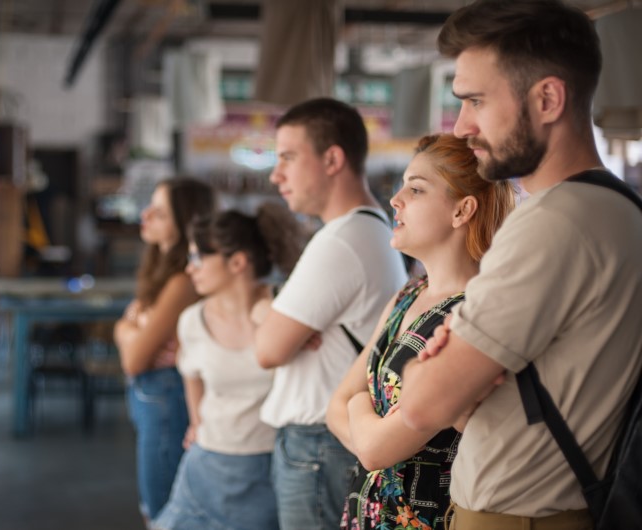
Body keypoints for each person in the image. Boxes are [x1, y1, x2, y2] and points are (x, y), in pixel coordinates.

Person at [396, 2, 642, 529]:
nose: (461, 127)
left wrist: (436, 364)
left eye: (476, 101)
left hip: (515, 516)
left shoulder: (549, 224)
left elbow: (419, 404)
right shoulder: (620, 207)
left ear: (548, 98)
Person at [327, 134, 515, 530]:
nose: (395, 200)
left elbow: (375, 449)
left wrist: (360, 409)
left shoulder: (471, 314)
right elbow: (334, 406)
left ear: (462, 210)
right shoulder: (408, 294)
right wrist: (367, 429)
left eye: (415, 189)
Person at [254, 97, 408, 530]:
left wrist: (272, 318)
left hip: (318, 447)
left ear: (332, 159)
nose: (275, 174)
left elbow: (267, 348)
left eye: (287, 157)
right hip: (327, 442)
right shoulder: (368, 227)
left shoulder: (341, 239)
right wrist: (277, 315)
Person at [153, 203, 305, 530]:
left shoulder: (286, 309)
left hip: (269, 467)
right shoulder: (191, 321)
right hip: (206, 465)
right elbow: (190, 375)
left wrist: (265, 313)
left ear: (237, 262)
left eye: (198, 258)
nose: (189, 268)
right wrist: (196, 421)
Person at [114, 177, 216, 524]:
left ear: (184, 223)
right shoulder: (162, 274)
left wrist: (130, 330)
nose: (146, 215)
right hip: (155, 396)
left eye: (159, 212)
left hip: (166, 398)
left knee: (162, 513)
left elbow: (133, 358)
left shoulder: (181, 281)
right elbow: (125, 326)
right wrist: (130, 330)